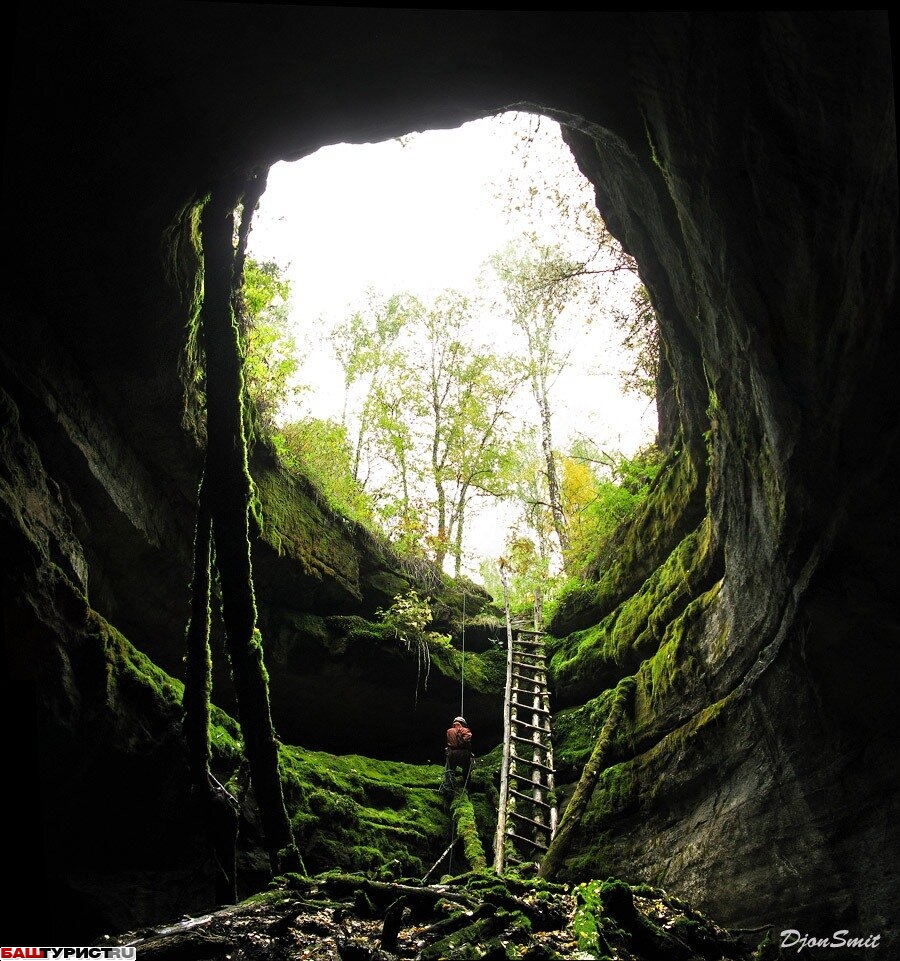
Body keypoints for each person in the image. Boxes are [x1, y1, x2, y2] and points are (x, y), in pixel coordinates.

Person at [446, 715, 473, 779]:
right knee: (466, 768)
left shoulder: (449, 731)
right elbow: (467, 740)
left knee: (450, 769)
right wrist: (469, 751)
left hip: (452, 753)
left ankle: (449, 783)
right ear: (463, 723)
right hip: (463, 752)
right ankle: (466, 783)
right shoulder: (465, 730)